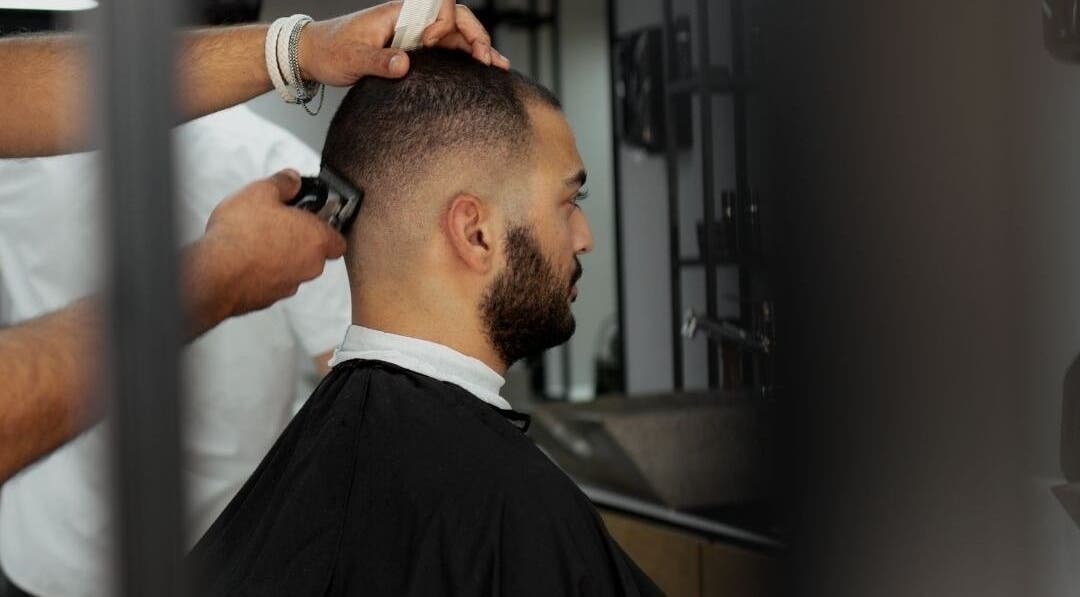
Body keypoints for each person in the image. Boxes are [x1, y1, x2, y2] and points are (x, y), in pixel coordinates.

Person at [189, 49, 662, 596]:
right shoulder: (517, 513)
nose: (585, 237)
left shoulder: (283, 492)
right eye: (569, 201)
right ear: (475, 233)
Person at [0, 1, 506, 486]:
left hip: (42, 529)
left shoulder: (28, 164)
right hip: (226, 528)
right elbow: (348, 369)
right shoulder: (279, 163)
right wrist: (221, 273)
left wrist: (299, 47)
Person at [0, 101, 354, 596]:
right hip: (204, 552)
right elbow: (352, 381)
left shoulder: (20, 150)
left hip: (55, 550)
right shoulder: (277, 169)